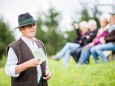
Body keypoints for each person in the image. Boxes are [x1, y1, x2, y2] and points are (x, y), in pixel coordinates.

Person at [5, 12, 51, 86]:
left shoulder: (40, 43)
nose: (33, 27)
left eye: (34, 25)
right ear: (21, 29)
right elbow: (8, 71)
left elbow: (45, 64)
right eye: (29, 26)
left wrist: (47, 71)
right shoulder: (14, 47)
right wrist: (28, 64)